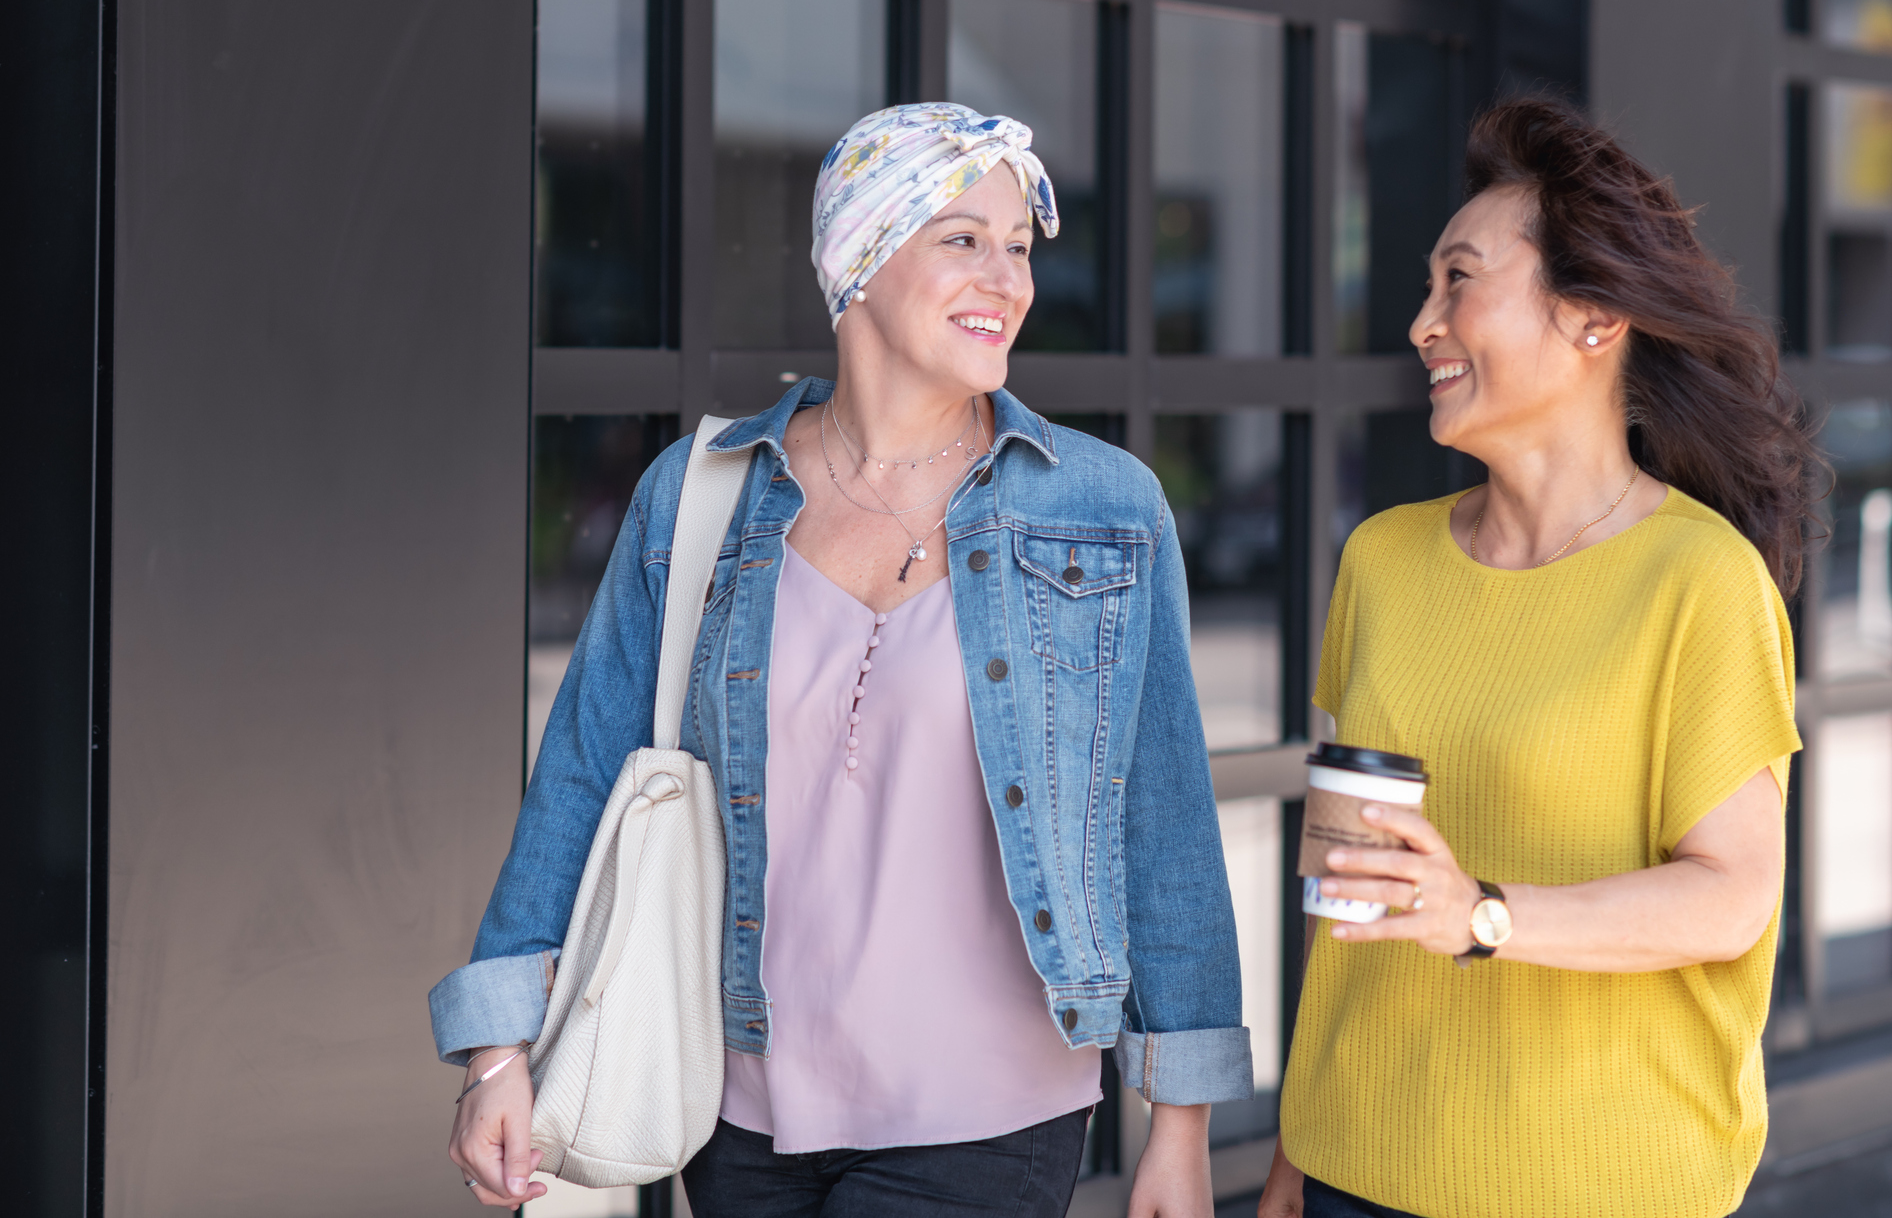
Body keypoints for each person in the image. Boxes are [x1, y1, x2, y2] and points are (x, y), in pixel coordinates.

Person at [433, 103, 1251, 1217]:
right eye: (962, 239)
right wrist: (496, 1048)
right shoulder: (703, 493)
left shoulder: (1102, 508)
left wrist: (1183, 1128)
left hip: (992, 1114)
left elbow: (1162, 822)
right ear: (858, 257)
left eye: (1017, 248)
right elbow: (583, 768)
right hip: (735, 1106)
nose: (1006, 279)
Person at [1260, 98, 1816, 1218]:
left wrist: (1483, 914)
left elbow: (1731, 896)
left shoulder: (1699, 582)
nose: (1423, 322)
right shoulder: (1381, 562)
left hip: (1599, 1184)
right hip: (1353, 1169)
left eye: (1458, 280)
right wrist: (1294, 1162)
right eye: (1427, 288)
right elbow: (1352, 906)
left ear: (1594, 316)